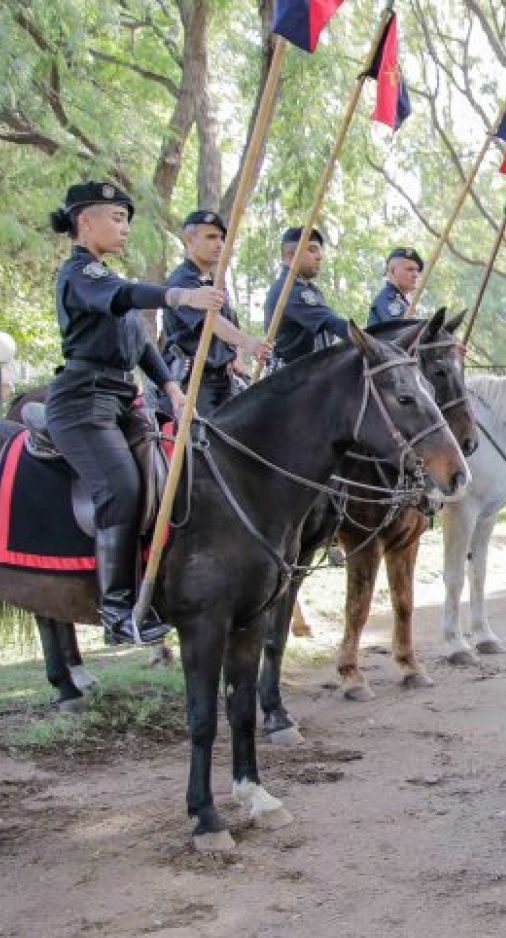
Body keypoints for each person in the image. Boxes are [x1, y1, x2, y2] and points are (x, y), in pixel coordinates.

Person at [44, 181, 222, 644]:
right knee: (120, 489)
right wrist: (181, 297)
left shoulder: (106, 278)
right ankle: (116, 612)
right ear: (85, 222)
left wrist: (172, 388)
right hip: (82, 404)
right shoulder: (82, 274)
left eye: (126, 220)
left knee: (171, 477)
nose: (125, 228)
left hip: (123, 400)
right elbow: (126, 296)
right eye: (117, 218)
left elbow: (141, 343)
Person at [159, 209, 269, 417]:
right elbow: (212, 322)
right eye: (211, 237)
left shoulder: (215, 282)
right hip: (194, 381)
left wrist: (237, 356)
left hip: (222, 380)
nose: (219, 244)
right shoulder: (182, 282)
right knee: (200, 434)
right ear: (190, 240)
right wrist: (250, 343)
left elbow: (230, 322)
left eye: (221, 238)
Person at [263, 227, 350, 367]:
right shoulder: (288, 290)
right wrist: (369, 340)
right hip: (292, 376)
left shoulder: (311, 290)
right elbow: (332, 323)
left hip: (314, 373)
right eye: (312, 250)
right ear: (292, 256)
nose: (320, 256)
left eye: (320, 250)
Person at [367, 246, 423, 327]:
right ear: (393, 271)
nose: (416, 275)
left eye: (417, 270)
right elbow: (401, 331)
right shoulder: (388, 299)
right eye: (410, 269)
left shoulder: (402, 301)